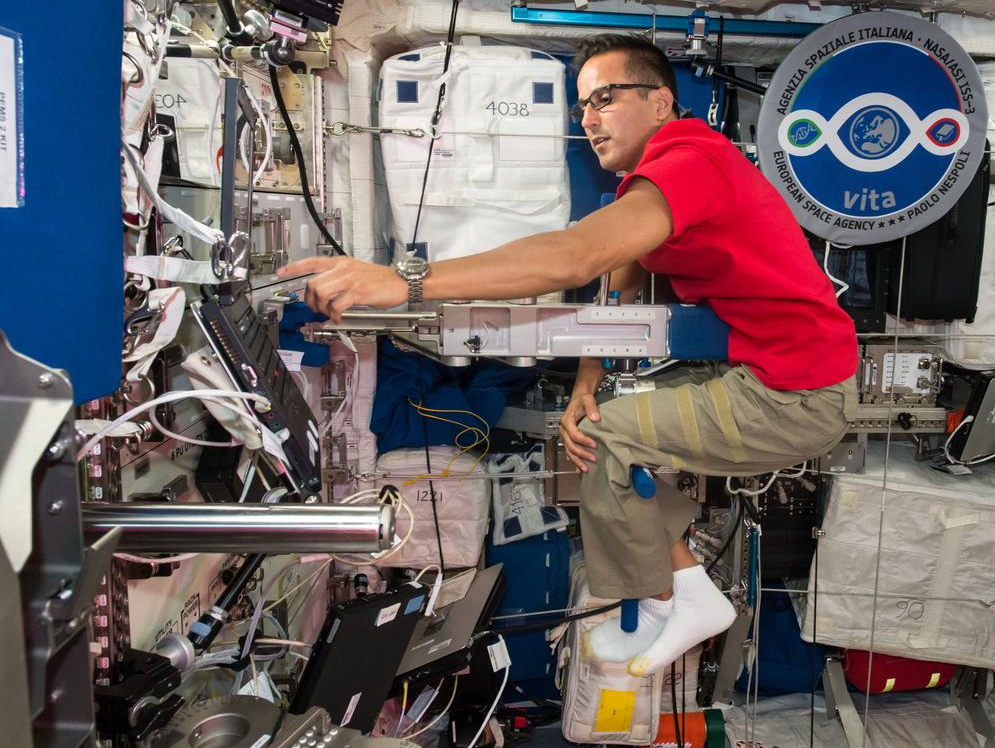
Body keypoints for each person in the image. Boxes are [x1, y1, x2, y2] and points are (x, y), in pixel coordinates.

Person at [278, 33, 859, 678]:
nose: (588, 118)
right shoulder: (650, 183)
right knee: (595, 423)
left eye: (605, 98)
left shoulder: (693, 161)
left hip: (796, 395)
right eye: (582, 106)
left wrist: (405, 282)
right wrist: (591, 372)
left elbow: (579, 254)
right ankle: (682, 592)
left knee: (608, 440)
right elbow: (620, 272)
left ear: (662, 102)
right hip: (768, 373)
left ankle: (680, 597)